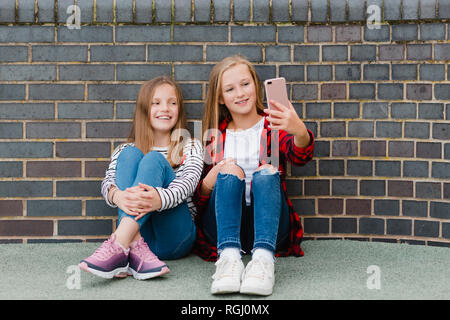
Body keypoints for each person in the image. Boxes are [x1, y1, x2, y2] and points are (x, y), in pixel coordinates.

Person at [192, 55, 314, 295]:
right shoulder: (214, 137)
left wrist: (298, 129)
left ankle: (263, 261)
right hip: (223, 228)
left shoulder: (273, 126)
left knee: (267, 171)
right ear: (220, 98)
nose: (240, 93)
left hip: (269, 226)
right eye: (230, 88)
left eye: (245, 84)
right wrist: (213, 177)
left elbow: (300, 156)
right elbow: (199, 199)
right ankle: (228, 261)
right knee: (229, 170)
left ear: (255, 86)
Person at [79, 76, 203, 280]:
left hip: (175, 238)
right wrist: (117, 196)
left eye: (172, 103)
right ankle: (129, 244)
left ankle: (118, 244)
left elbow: (187, 185)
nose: (165, 108)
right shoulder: (123, 150)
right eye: (156, 102)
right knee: (131, 155)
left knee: (153, 160)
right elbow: (108, 183)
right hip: (139, 239)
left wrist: (159, 199)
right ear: (145, 108)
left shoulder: (190, 146)